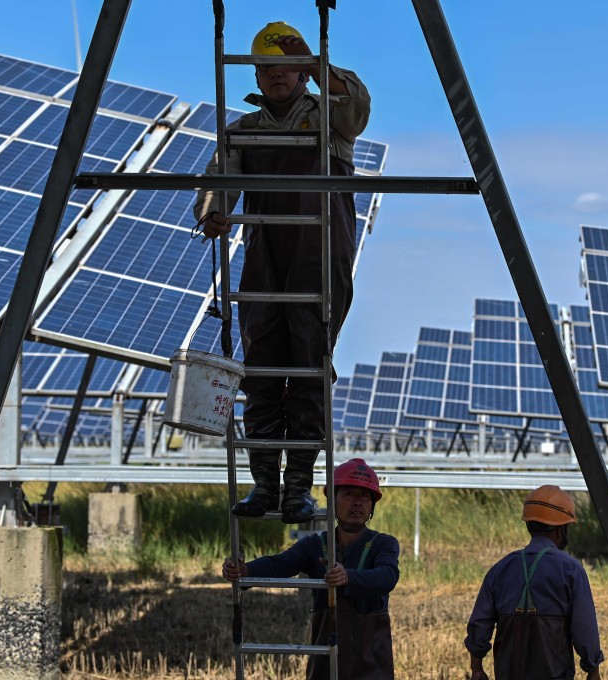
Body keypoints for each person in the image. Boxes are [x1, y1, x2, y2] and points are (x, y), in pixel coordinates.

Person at [194, 21, 371, 524]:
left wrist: (318, 63)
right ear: (256, 73)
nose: (276, 76)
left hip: (319, 259)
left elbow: (358, 103)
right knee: (263, 373)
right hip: (264, 260)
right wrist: (211, 213)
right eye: (267, 67)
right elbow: (215, 186)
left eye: (286, 67)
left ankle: (298, 487)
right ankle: (264, 486)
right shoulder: (243, 131)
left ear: (301, 72)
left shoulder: (329, 120)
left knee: (310, 370)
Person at [222, 458, 398, 680]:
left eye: (365, 496)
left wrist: (348, 577)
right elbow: (281, 564)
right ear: (332, 500)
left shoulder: (383, 543)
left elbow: (388, 576)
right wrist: (245, 570)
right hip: (326, 649)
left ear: (372, 505)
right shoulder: (316, 544)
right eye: (349, 494)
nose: (358, 502)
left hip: (371, 657)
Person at [465, 485, 604, 680]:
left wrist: (477, 668)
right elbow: (585, 628)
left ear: (529, 525)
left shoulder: (500, 569)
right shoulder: (571, 571)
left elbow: (479, 624)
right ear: (560, 529)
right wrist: (593, 670)